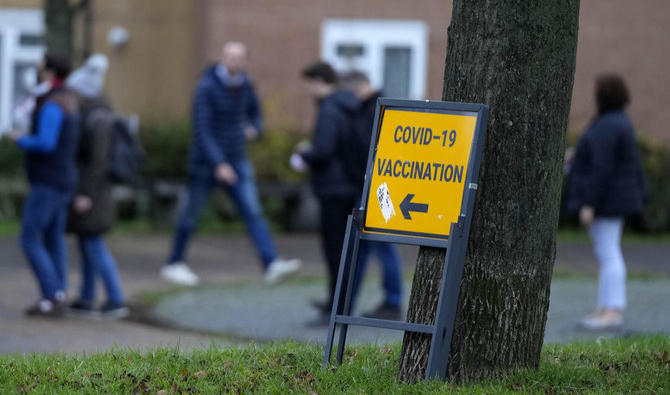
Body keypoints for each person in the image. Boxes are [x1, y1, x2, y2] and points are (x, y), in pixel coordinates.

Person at [161, 41, 300, 286]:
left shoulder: (245, 84)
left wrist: (255, 129)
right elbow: (202, 131)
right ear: (222, 58)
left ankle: (271, 263)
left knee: (253, 212)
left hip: (237, 160)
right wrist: (219, 163)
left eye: (238, 57)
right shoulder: (206, 87)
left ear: (245, 61)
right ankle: (174, 263)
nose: (234, 61)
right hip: (206, 164)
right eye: (229, 56)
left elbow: (256, 114)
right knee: (190, 215)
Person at [566, 74, 648, 330]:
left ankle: (611, 310)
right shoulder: (617, 122)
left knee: (609, 253)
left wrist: (589, 203)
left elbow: (602, 168)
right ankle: (605, 308)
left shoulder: (607, 125)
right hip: (613, 200)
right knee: (607, 253)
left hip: (607, 203)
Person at [10, 53, 79, 316]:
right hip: (63, 180)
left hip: (48, 181)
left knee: (29, 237)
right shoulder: (69, 99)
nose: (37, 72)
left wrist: (20, 140)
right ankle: (57, 293)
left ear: (49, 71)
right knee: (53, 238)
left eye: (40, 68)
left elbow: (46, 142)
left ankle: (52, 293)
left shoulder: (52, 104)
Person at [293, 61, 359, 324]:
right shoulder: (348, 105)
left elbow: (325, 149)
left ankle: (336, 307)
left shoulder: (330, 109)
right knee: (342, 250)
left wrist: (302, 155)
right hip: (347, 185)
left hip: (333, 188)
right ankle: (338, 303)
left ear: (319, 82)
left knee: (334, 250)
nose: (308, 90)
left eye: (310, 84)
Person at [65, 54, 128, 318]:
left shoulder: (98, 119)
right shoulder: (96, 114)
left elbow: (97, 163)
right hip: (93, 191)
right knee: (87, 241)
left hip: (94, 192)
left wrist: (84, 194)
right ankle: (88, 297)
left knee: (93, 243)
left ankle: (116, 299)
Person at [339, 71, 403, 320]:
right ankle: (350, 302)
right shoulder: (375, 108)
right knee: (366, 244)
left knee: (381, 243)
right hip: (376, 186)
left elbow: (370, 148)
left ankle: (392, 301)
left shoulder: (372, 110)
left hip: (377, 187)